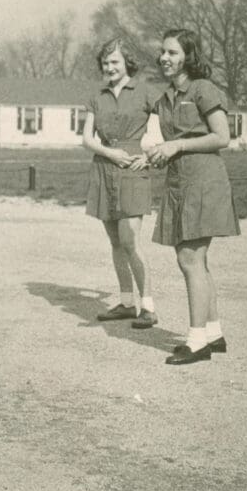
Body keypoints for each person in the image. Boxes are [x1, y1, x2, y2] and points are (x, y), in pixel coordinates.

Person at [145, 29, 239, 365]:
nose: (164, 58)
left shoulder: (203, 89)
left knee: (189, 260)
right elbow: (165, 141)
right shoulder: (167, 96)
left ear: (189, 56)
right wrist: (154, 153)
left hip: (203, 181)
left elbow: (222, 137)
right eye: (163, 53)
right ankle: (213, 333)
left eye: (171, 53)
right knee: (198, 261)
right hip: (179, 182)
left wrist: (178, 145)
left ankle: (196, 342)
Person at [82, 38, 161, 329]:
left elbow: (170, 127)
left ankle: (149, 307)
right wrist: (109, 152)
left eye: (114, 61)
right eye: (105, 62)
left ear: (128, 62)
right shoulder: (97, 96)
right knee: (115, 241)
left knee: (130, 240)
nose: (109, 67)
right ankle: (127, 303)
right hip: (104, 168)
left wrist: (150, 156)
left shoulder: (145, 91)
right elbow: (87, 138)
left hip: (132, 169)